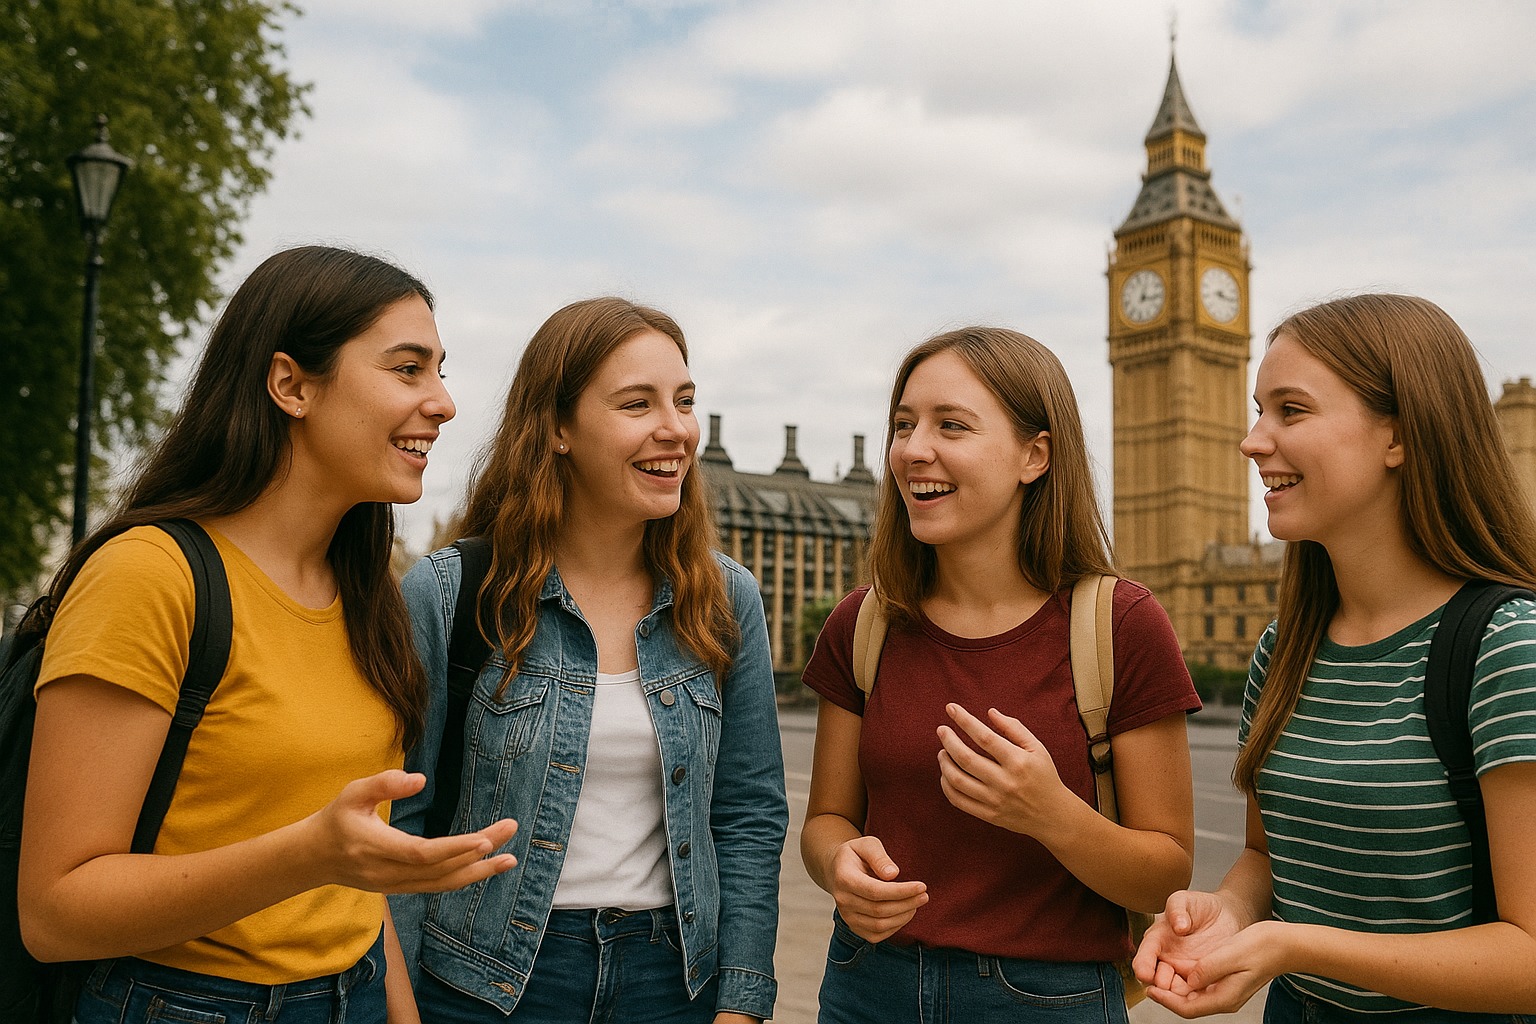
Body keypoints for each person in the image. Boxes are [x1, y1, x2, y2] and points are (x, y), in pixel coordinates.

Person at [19, 245, 518, 1024]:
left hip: (351, 994)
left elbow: (356, 877)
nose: (445, 404)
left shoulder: (368, 596)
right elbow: (54, 914)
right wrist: (308, 855)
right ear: (291, 384)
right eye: (408, 369)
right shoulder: (150, 575)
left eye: (440, 371)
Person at [1133, 294, 1536, 1021]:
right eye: (1258, 410)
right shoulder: (1282, 650)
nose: (1253, 441)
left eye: (1291, 410)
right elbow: (1264, 860)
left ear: (1399, 436)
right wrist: (1224, 911)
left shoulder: (1508, 648)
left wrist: (1299, 947)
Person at [390, 296, 788, 1023]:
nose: (675, 428)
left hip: (672, 985)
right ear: (559, 428)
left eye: (685, 400)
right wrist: (401, 1010)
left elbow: (748, 816)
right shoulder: (453, 592)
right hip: (483, 985)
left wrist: (741, 1001)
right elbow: (400, 819)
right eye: (637, 404)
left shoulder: (725, 598)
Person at [800, 326, 1202, 1024]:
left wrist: (1051, 814)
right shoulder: (865, 624)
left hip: (1047, 1000)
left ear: (1034, 455)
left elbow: (1167, 868)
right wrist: (839, 864)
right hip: (867, 987)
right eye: (904, 424)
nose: (913, 448)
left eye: (950, 425)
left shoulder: (1120, 625)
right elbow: (826, 819)